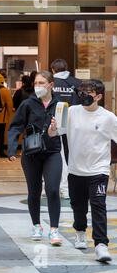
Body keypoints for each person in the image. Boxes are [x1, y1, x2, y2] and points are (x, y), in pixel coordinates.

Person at [49, 80, 117, 262]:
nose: (84, 95)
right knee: (78, 207)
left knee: (98, 205)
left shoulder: (108, 117)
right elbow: (54, 133)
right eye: (82, 91)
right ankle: (80, 232)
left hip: (99, 170)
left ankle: (101, 245)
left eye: (89, 92)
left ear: (99, 96)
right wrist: (52, 128)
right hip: (76, 170)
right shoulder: (70, 112)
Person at [7, 71, 63, 246]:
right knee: (34, 190)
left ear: (51, 85)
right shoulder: (28, 104)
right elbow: (15, 126)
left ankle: (54, 229)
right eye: (36, 82)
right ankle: (36, 225)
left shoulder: (61, 104)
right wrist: (11, 149)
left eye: (41, 82)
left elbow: (67, 128)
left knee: (53, 189)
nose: (38, 86)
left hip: (52, 152)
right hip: (31, 153)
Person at [51, 59, 82, 200]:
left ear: (53, 70)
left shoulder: (51, 83)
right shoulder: (77, 83)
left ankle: (61, 187)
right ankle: (71, 187)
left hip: (56, 123)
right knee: (73, 155)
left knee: (59, 155)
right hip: (76, 123)